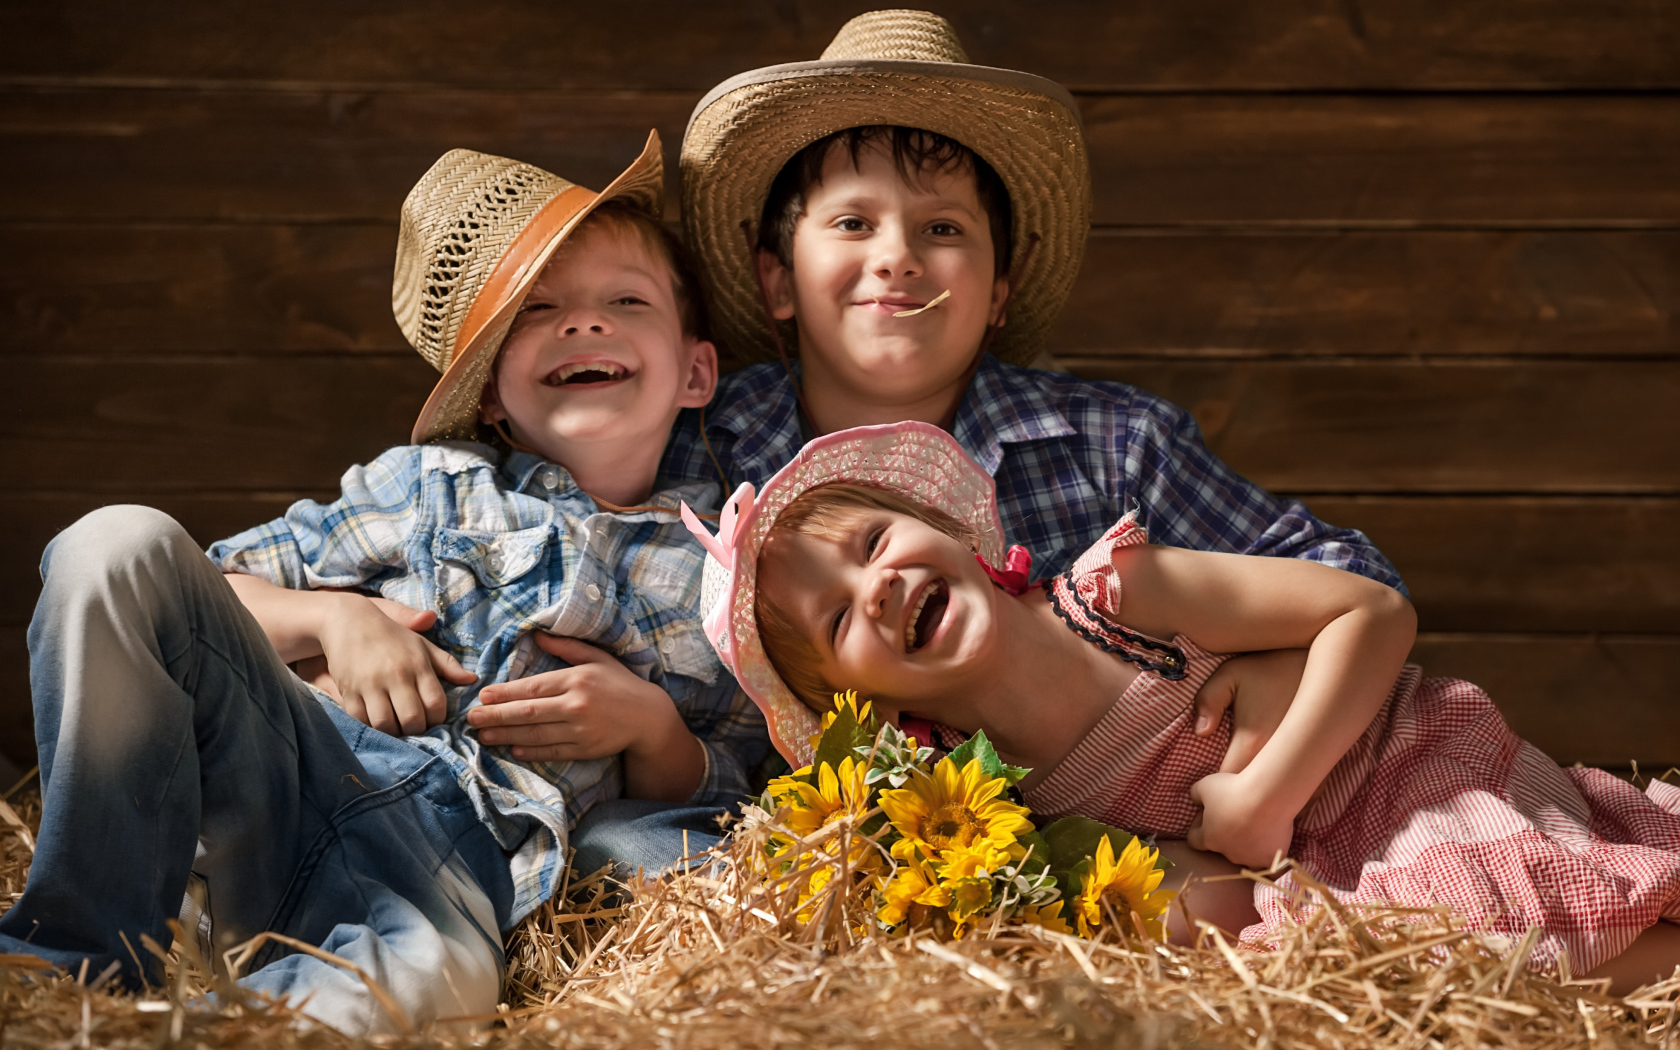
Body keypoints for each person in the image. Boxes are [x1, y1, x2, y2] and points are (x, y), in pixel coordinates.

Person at [582, 8, 1407, 871]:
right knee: (627, 848)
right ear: (778, 278)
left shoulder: (1112, 443)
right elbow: (535, 508)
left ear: (1000, 291)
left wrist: (1284, 669)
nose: (898, 257)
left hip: (1115, 850)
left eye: (943, 230)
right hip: (825, 847)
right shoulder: (702, 436)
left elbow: (1355, 582)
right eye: (853, 224)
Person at [2, 132, 765, 1034]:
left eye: (625, 302)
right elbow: (202, 596)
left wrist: (650, 726)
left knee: (437, 991)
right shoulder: (428, 483)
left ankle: (194, 1021)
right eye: (538, 310)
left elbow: (728, 780)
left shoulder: (723, 568)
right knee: (113, 547)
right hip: (292, 763)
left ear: (697, 372)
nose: (583, 323)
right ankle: (65, 964)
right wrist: (332, 618)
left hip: (445, 861)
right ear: (491, 398)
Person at [683, 420, 1680, 994]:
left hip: (1409, 773)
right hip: (1330, 878)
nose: (881, 588)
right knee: (1390, 970)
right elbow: (1209, 891)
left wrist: (1262, 793)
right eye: (840, 618)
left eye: (872, 548)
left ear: (940, 525)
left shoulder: (1122, 597)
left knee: (1487, 926)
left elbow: (1370, 614)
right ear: (868, 706)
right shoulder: (1010, 803)